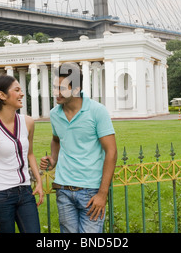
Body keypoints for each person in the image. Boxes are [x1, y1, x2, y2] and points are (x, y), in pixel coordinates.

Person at [40, 62, 118, 233]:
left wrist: (102, 193)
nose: (55, 92)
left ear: (76, 89)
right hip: (63, 189)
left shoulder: (97, 111)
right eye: (54, 87)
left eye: (61, 88)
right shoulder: (55, 114)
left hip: (91, 191)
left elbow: (111, 152)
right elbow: (56, 139)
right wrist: (53, 159)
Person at [0, 75, 44, 233]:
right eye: (17, 90)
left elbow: (30, 154)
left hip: (25, 192)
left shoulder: (28, 122)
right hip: (0, 196)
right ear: (2, 95)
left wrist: (39, 181)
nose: (22, 93)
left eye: (21, 90)